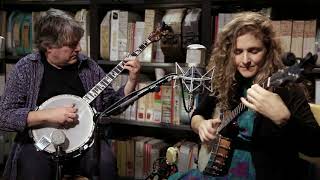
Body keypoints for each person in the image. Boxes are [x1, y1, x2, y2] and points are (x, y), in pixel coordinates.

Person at [169, 12, 320, 180]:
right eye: (238, 51)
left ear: (269, 51)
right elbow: (197, 115)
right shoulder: (224, 82)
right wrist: (201, 125)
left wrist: (285, 120)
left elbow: (315, 147)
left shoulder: (287, 89)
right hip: (217, 167)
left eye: (254, 50)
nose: (245, 60)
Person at [0, 8, 141, 180]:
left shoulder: (89, 67)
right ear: (49, 47)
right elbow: (5, 116)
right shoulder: (26, 68)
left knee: (106, 164)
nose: (79, 48)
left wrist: (132, 81)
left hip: (86, 144)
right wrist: (48, 115)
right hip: (39, 144)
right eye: (72, 44)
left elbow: (111, 105)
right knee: (33, 171)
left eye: (78, 42)